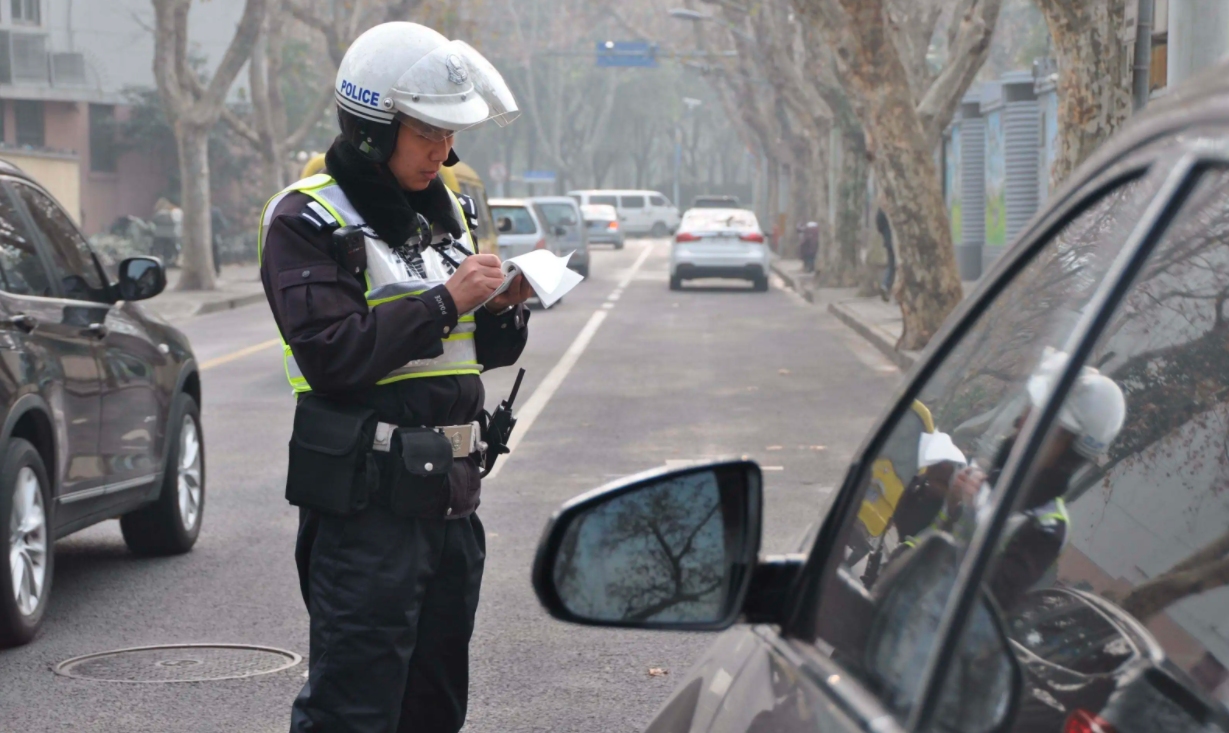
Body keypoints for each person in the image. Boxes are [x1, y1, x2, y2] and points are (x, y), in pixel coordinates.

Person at [257, 22, 530, 733]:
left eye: (449, 134)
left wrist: (504, 310)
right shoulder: (307, 218)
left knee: (434, 706)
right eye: (427, 133)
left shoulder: (446, 213)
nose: (444, 151)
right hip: (366, 508)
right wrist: (444, 301)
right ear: (375, 129)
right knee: (353, 709)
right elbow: (332, 354)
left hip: (449, 499)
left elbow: (467, 356)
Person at [899, 350, 1126, 611]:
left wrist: (974, 515)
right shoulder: (988, 475)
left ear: (1068, 450)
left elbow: (985, 601)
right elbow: (908, 532)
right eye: (1031, 410)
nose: (1022, 423)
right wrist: (947, 502)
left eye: (1042, 423)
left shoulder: (1046, 528)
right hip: (896, 598)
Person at [875, 209, 894, 302]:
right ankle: (888, 287)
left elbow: (879, 224)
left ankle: (885, 285)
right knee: (898, 266)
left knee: (892, 265)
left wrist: (885, 234)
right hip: (898, 241)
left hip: (888, 239)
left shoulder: (882, 208)